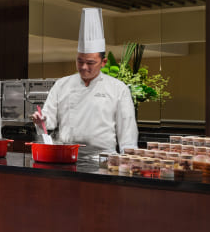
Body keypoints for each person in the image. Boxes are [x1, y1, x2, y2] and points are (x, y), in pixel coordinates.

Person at [32, 8, 137, 154]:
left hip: (104, 159)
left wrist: (129, 162)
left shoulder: (118, 89)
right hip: (67, 156)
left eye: (90, 62)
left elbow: (127, 132)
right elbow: (48, 122)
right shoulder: (62, 84)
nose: (83, 67)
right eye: (79, 61)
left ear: (103, 62)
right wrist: (40, 120)